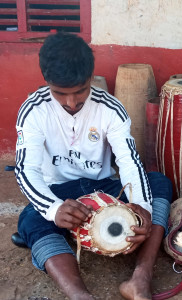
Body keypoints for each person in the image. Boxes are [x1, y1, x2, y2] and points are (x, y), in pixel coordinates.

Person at [12, 32, 172, 300]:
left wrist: (142, 208)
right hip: (60, 192)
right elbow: (26, 170)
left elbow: (129, 161)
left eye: (80, 91)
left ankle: (140, 279)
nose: (72, 103)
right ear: (47, 82)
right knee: (32, 216)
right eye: (60, 94)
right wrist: (53, 209)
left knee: (158, 184)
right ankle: (79, 295)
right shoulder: (34, 110)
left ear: (91, 78)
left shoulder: (111, 108)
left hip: (104, 186)